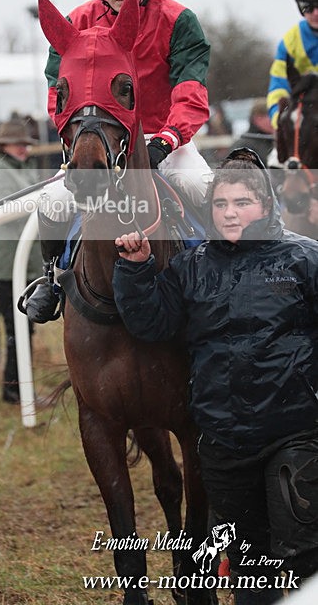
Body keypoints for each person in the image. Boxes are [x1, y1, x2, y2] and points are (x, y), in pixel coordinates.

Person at [112, 148, 318, 602]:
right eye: (221, 204)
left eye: (242, 203)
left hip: (295, 434)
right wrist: (136, 268)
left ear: (265, 205)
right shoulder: (192, 266)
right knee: (249, 563)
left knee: (299, 554)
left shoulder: (304, 259)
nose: (230, 213)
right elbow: (151, 323)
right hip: (223, 443)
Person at [25, 0, 212, 323]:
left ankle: (225, 277)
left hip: (166, 139)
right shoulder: (76, 22)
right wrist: (77, 140)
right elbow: (58, 94)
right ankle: (50, 280)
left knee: (200, 184)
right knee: (54, 200)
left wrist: (165, 140)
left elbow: (191, 93)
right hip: (100, 142)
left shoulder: (179, 21)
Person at [0, 119, 42, 404]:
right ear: (3, 145)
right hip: (9, 263)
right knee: (17, 328)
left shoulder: (15, 168)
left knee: (22, 328)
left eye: (26, 144)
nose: (23, 149)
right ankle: (15, 389)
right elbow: (15, 209)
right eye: (19, 144)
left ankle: (17, 388)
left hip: (22, 261)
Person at [267, 0, 318, 141]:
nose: (316, 12)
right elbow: (278, 89)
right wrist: (281, 119)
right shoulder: (290, 42)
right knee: (276, 161)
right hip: (305, 129)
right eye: (307, 5)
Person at [229, 98, 274, 167]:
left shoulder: (276, 142)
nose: (274, 120)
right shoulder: (243, 146)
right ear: (257, 119)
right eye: (270, 116)